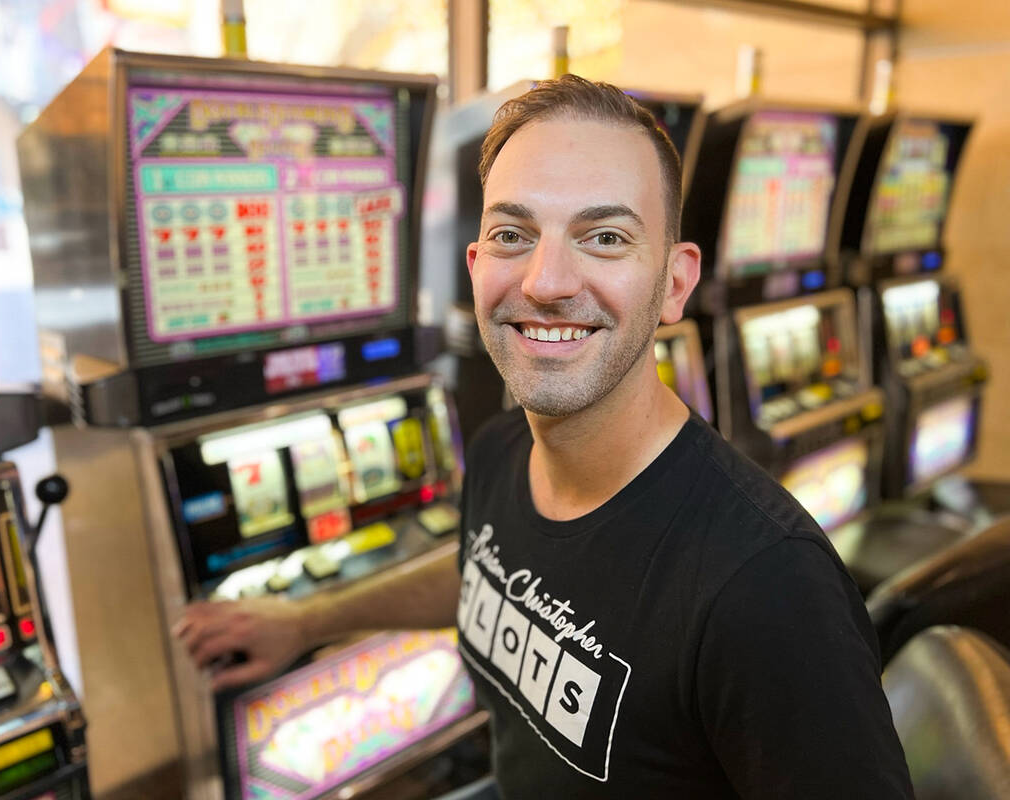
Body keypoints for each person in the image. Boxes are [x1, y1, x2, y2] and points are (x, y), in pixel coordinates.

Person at [175, 75, 914, 799]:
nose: (547, 280)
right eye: (511, 234)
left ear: (675, 283)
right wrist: (308, 620)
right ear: (475, 268)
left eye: (604, 236)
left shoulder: (766, 585)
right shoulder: (502, 450)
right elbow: (488, 572)